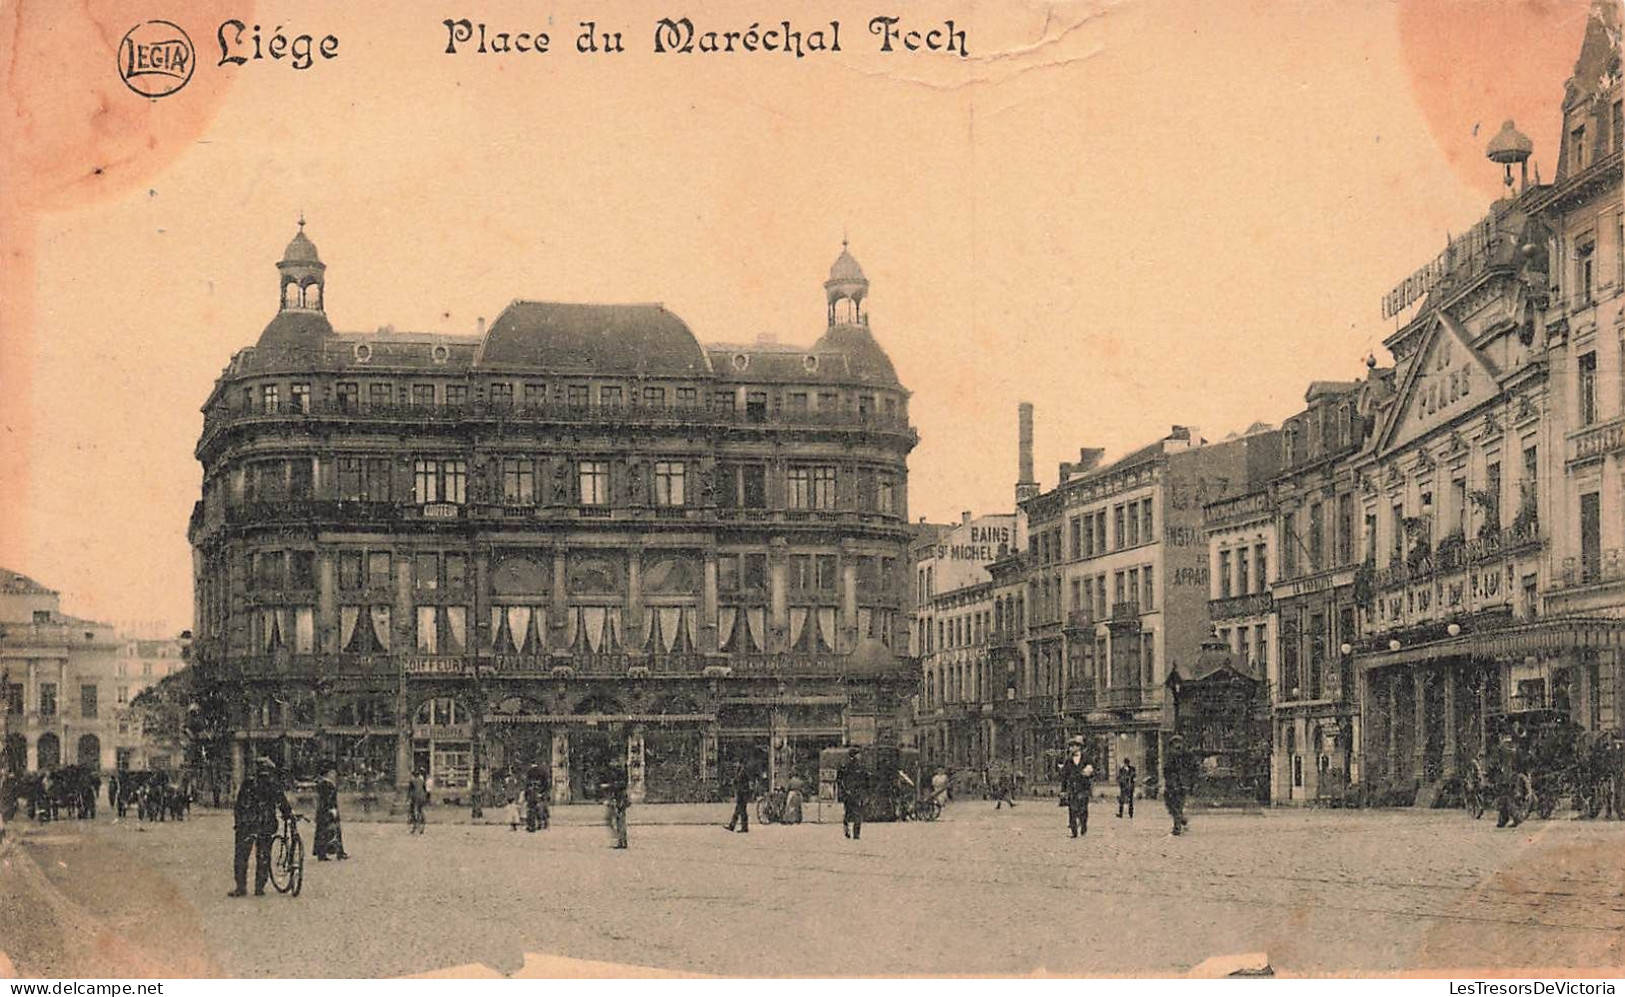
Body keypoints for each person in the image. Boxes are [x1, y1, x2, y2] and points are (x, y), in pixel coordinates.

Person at [229, 757, 293, 897]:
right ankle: (259, 887)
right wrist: (289, 815)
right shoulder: (273, 784)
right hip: (265, 824)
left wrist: (238, 821)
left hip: (247, 824)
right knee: (263, 855)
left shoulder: (249, 782)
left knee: (241, 855)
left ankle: (241, 887)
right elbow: (282, 803)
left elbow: (239, 804)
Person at [1058, 739, 1094, 838]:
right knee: (1072, 809)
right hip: (1072, 787)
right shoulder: (1068, 760)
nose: (1071, 748)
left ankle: (1083, 826)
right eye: (1070, 746)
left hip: (1084, 787)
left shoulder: (1087, 758)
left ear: (1079, 747)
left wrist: (1089, 773)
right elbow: (1064, 776)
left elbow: (1094, 771)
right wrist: (1063, 790)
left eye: (1073, 746)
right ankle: (1074, 831)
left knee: (1083, 809)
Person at [1163, 734, 1197, 836]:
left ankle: (1177, 827)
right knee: (1173, 805)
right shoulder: (1179, 754)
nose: (1177, 745)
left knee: (1175, 805)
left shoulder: (1182, 755)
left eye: (1178, 742)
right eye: (1175, 743)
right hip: (1174, 783)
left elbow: (1193, 767)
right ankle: (1182, 820)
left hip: (1178, 783)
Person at [313, 768, 348, 860]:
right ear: (327, 774)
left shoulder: (328, 783)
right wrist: (331, 809)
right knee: (327, 831)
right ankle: (326, 852)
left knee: (331, 831)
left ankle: (337, 851)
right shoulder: (325, 784)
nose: (334, 775)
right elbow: (326, 799)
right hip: (327, 810)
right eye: (332, 773)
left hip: (327, 810)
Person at [836, 747, 867, 840]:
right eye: (858, 754)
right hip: (852, 793)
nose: (860, 756)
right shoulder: (854, 767)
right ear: (855, 755)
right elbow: (840, 780)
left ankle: (850, 832)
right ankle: (854, 833)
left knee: (850, 813)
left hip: (852, 793)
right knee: (854, 813)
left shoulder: (848, 766)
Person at [601, 760, 629, 849]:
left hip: (618, 799)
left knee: (617, 820)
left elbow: (621, 785)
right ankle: (621, 840)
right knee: (617, 820)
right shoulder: (617, 772)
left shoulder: (619, 773)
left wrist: (608, 786)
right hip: (616, 799)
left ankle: (620, 840)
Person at [724, 762, 753, 833]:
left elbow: (747, 783)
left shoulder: (744, 772)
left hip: (743, 793)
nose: (735, 765)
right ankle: (732, 826)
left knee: (742, 811)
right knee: (738, 810)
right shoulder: (739, 772)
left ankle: (743, 827)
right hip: (740, 793)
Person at [524, 765, 550, 832]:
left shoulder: (530, 774)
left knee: (535, 810)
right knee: (539, 810)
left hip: (535, 796)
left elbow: (527, 786)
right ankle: (539, 824)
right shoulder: (542, 772)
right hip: (537, 795)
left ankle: (535, 825)